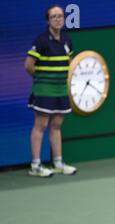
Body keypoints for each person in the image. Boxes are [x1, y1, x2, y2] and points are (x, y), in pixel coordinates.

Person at [24, 4, 76, 177]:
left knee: (56, 125)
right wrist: (41, 80)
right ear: (48, 21)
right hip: (44, 91)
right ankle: (36, 165)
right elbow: (28, 65)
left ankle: (58, 163)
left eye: (60, 16)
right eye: (54, 16)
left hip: (60, 90)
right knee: (41, 126)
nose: (58, 19)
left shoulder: (67, 41)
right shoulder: (41, 41)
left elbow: (68, 63)